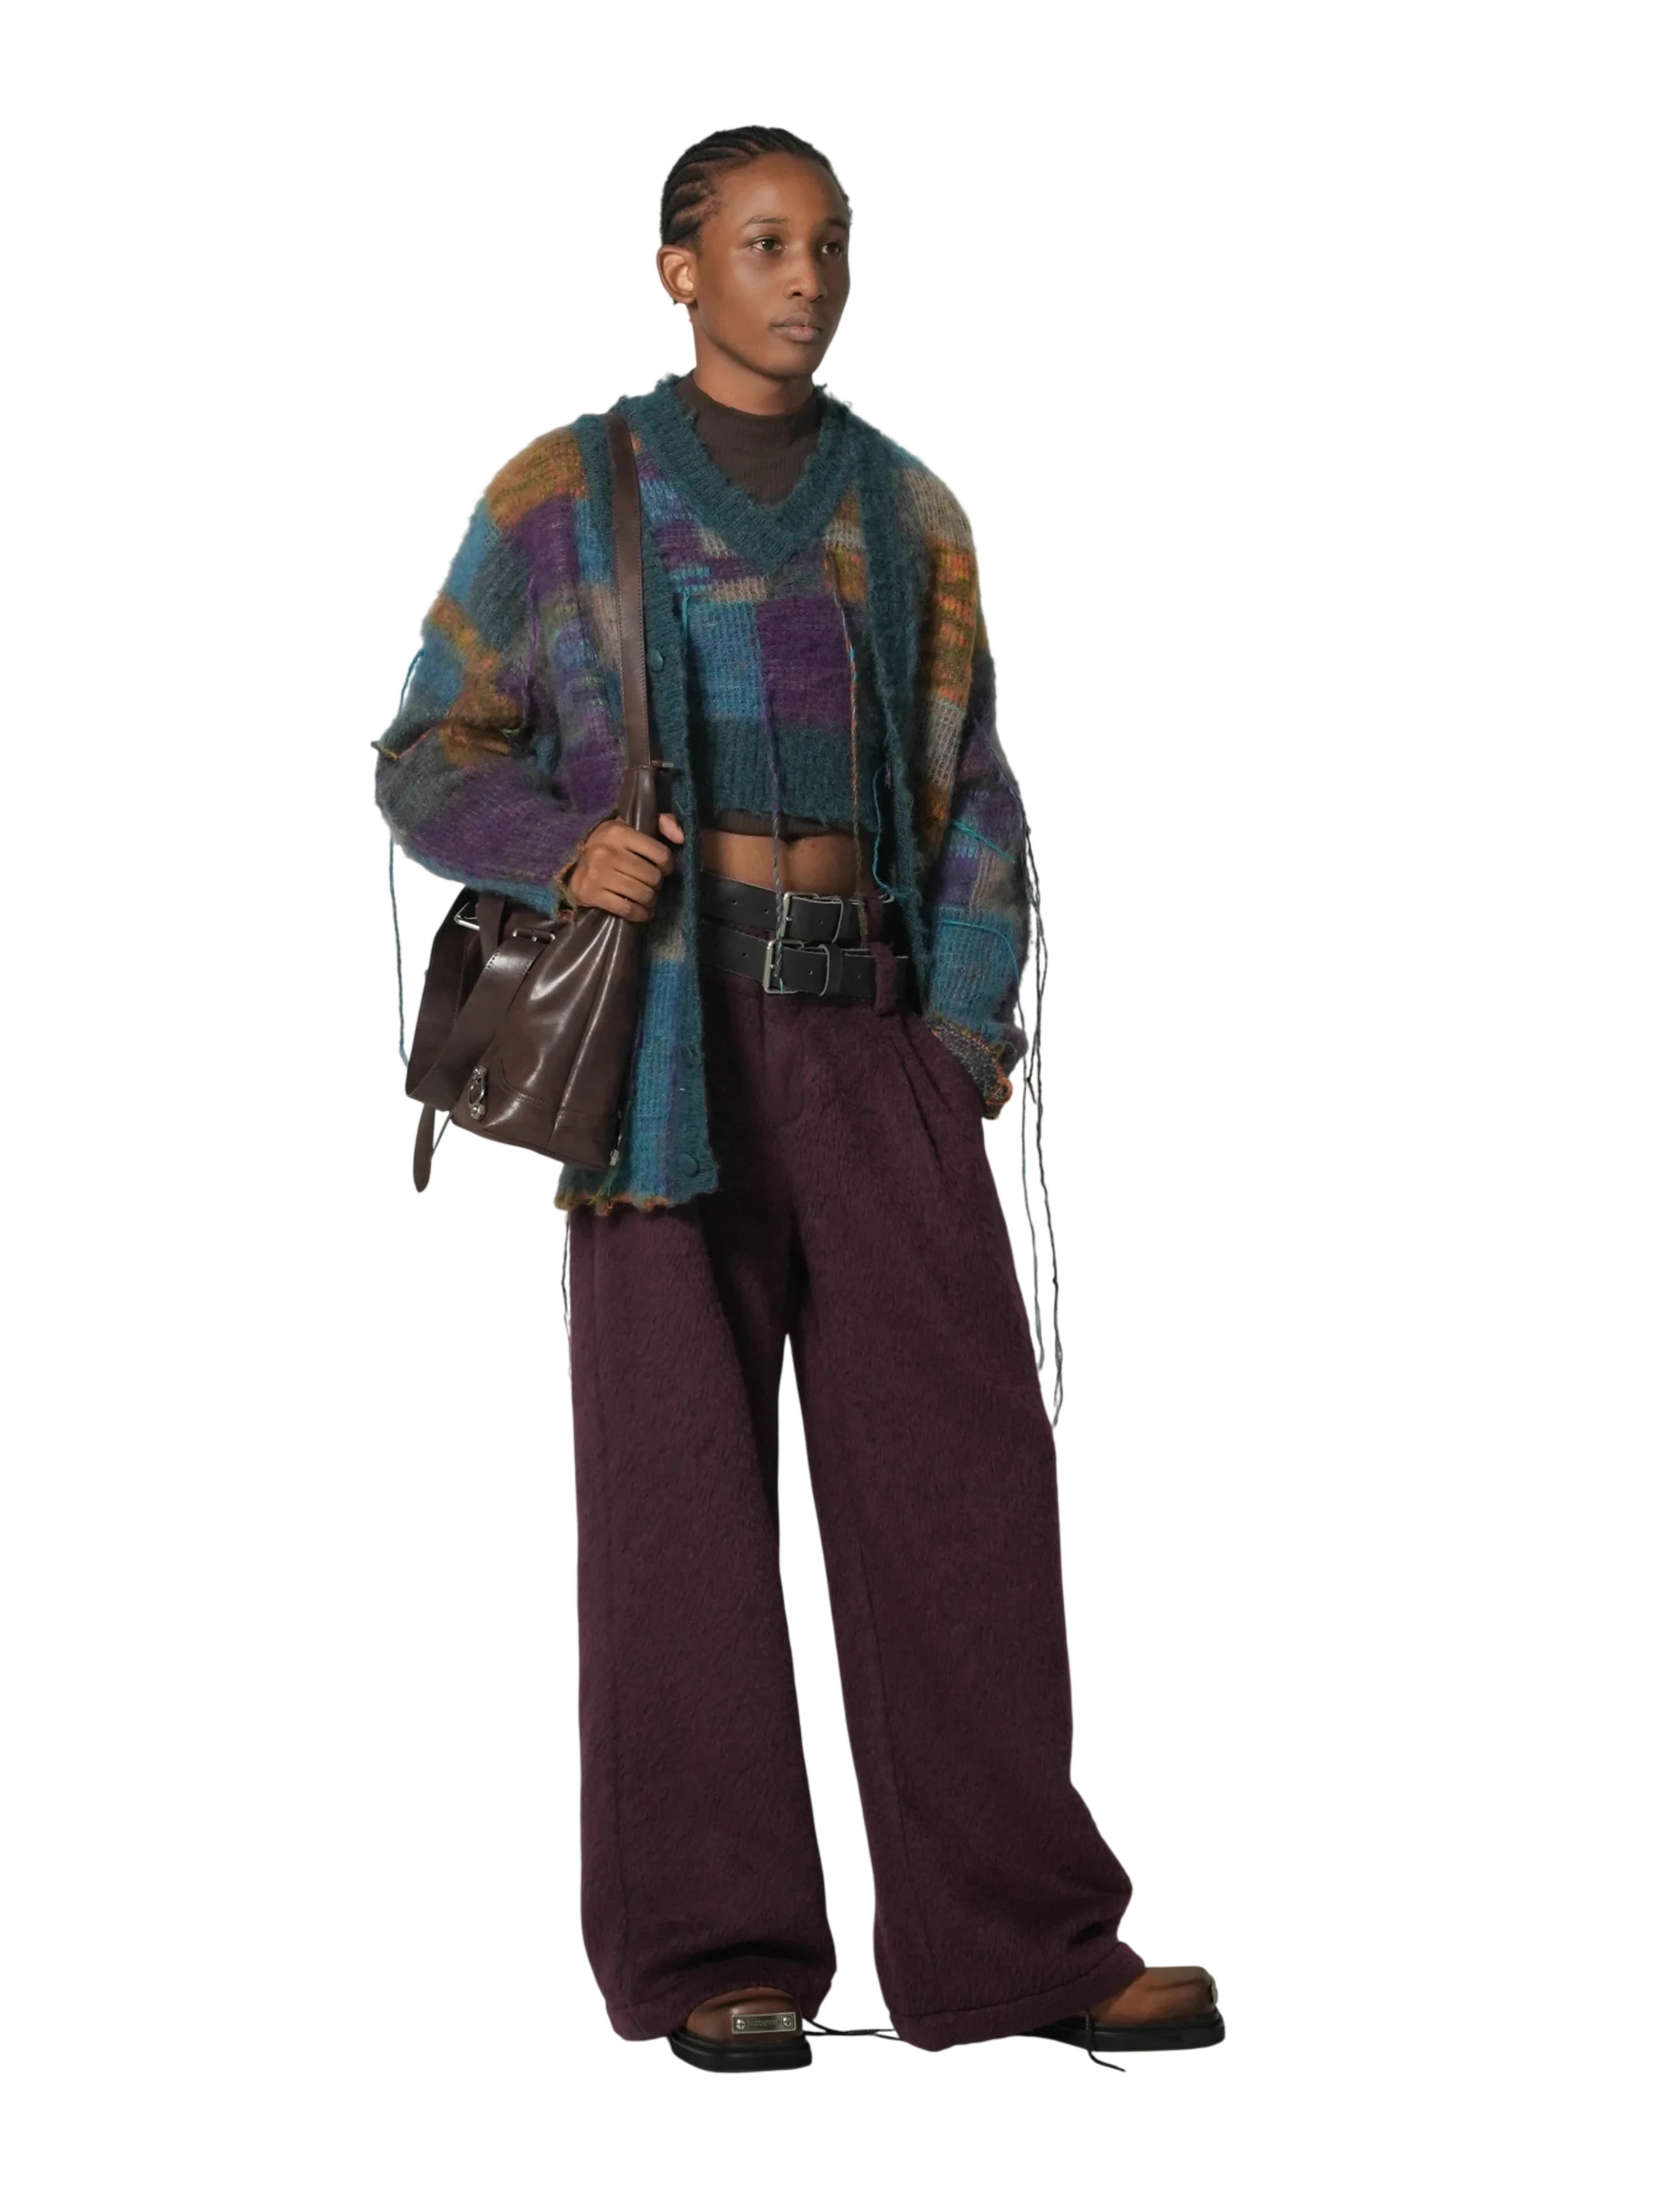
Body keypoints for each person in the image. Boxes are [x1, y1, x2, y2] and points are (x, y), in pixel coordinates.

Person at [373, 124, 1221, 2072]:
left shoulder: (908, 511)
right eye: (763, 243)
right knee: (674, 1507)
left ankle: (1020, 1948)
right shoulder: (565, 496)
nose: (806, 278)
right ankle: (718, 1954)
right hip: (664, 1059)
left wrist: (965, 1036)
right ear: (679, 267)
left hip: (878, 1038)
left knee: (964, 1489)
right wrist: (559, 841)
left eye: (829, 243)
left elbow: (978, 793)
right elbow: (426, 751)